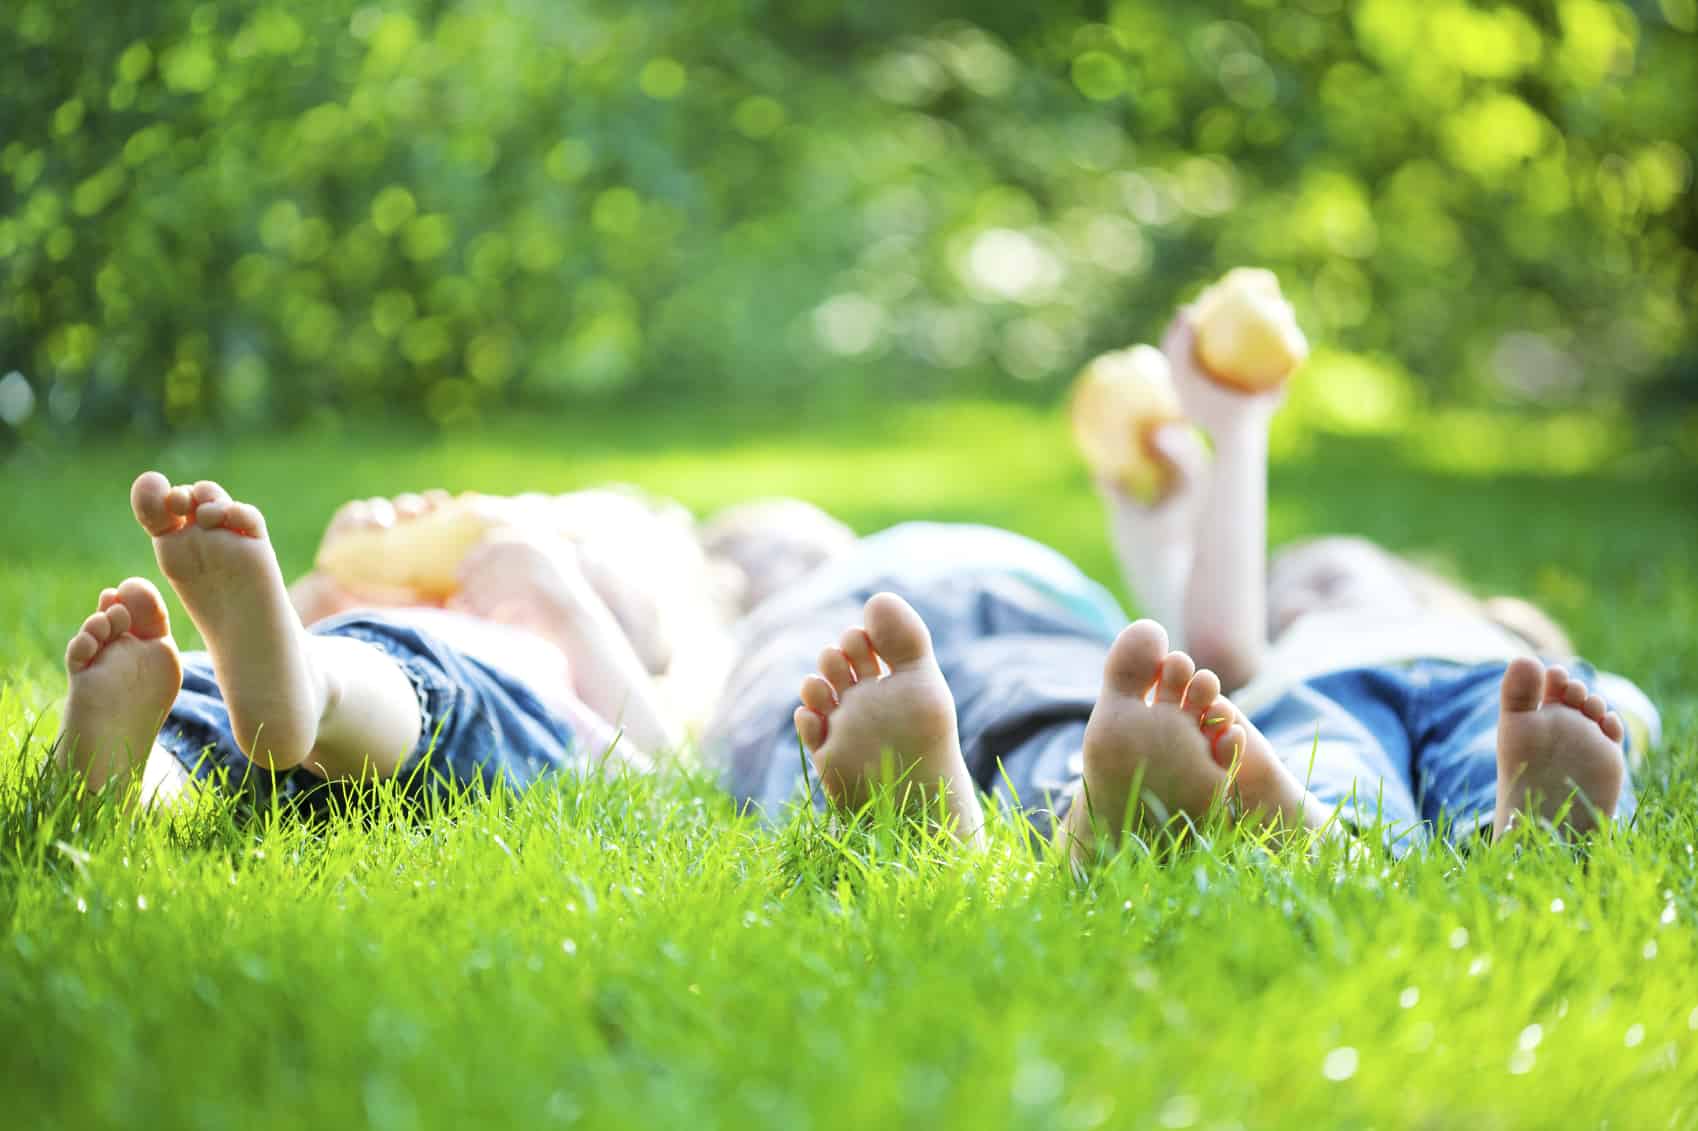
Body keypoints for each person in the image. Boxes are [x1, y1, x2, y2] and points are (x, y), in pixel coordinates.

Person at [703, 307, 1657, 861]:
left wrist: (1596, 712)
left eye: (1323, 571)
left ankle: (1529, 826)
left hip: (1492, 703)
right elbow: (1184, 646)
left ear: (1430, 587)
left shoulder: (1490, 642)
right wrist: (1184, 494)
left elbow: (1616, 705)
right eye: (1284, 589)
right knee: (1317, 761)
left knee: (1532, 733)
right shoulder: (1282, 663)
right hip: (1307, 708)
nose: (1296, 596)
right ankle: (1324, 841)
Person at [52, 474, 689, 810]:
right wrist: (327, 585)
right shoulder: (398, 600)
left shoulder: (540, 651)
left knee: (399, 669)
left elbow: (663, 772)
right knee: (204, 705)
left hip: (438, 701)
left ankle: (310, 689)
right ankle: (126, 788)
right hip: (310, 718)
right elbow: (250, 654)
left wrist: (566, 602)